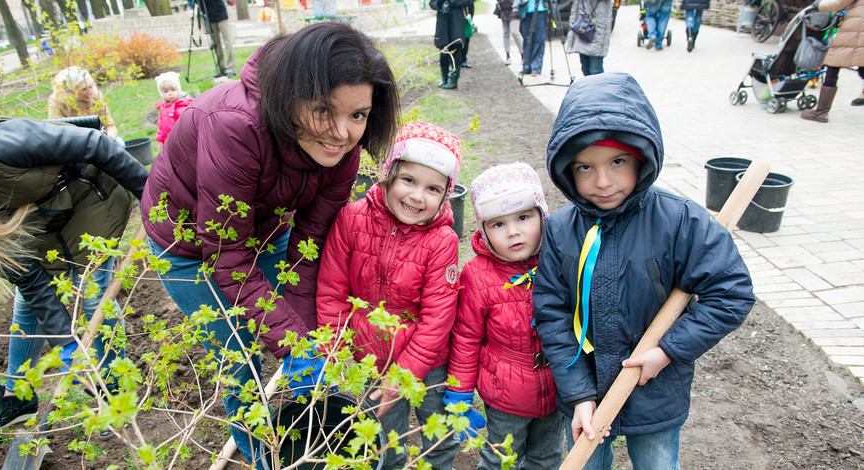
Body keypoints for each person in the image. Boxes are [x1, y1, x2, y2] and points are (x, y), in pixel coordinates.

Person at [140, 22, 400, 469]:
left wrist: (304, 344)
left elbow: (310, 242)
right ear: (291, 95)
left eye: (357, 115)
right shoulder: (236, 125)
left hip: (263, 226)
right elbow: (227, 256)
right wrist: (295, 346)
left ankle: (313, 427)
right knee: (237, 354)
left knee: (299, 330)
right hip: (186, 246)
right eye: (324, 110)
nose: (342, 132)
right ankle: (262, 454)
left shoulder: (344, 147)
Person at [534, 72, 755, 469]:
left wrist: (668, 351)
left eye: (617, 162)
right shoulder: (560, 230)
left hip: (655, 394)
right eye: (585, 168)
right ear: (567, 169)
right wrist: (579, 395)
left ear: (641, 156)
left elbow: (731, 292)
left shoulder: (678, 221)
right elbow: (551, 313)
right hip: (583, 396)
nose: (603, 182)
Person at [0, 117, 148, 432]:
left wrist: (152, 195)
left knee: (92, 295)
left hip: (89, 197)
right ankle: (18, 394)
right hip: (43, 222)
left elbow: (95, 143)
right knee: (26, 304)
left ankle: (116, 395)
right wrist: (67, 345)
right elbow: (28, 276)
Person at [317, 121, 464, 470]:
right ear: (388, 175)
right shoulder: (351, 220)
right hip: (371, 355)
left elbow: (437, 319)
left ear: (446, 194)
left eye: (432, 188)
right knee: (385, 438)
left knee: (439, 429)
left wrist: (402, 377)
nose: (416, 196)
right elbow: (332, 291)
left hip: (429, 361)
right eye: (408, 180)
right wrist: (332, 349)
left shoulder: (443, 241)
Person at [445, 162, 566, 469]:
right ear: (483, 231)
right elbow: (467, 338)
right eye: (498, 224)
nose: (513, 232)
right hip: (505, 395)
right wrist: (459, 393)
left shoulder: (560, 261)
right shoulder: (477, 275)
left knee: (546, 457)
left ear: (542, 214)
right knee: (501, 459)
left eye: (523, 217)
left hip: (557, 387)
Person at [801, 0, 864, 122]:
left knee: (833, 66)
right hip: (857, 28)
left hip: (855, 30)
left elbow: (840, 2)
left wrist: (818, 5)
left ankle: (821, 112)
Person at [47, 66, 120, 142]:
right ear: (72, 91)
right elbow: (57, 131)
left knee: (119, 143)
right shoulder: (58, 103)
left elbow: (109, 125)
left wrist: (110, 138)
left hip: (100, 140)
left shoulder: (96, 97)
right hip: (76, 143)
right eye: (84, 89)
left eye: (91, 87)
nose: (89, 92)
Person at [431, 0, 473, 89]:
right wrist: (440, 4)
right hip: (443, 21)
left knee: (456, 49)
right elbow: (432, 2)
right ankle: (445, 79)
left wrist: (451, 3)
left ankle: (454, 80)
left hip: (456, 21)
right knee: (443, 50)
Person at [566, 0, 613, 76]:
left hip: (597, 28)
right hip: (583, 27)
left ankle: (599, 87)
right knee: (585, 70)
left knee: (595, 71)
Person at [191, 0, 236, 76]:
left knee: (228, 42)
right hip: (209, 17)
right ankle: (221, 68)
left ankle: (231, 68)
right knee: (216, 44)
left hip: (221, 15)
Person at [153, 71, 193, 144]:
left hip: (184, 142)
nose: (170, 93)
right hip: (170, 143)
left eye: (173, 90)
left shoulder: (183, 107)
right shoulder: (163, 108)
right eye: (166, 91)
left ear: (178, 89)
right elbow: (161, 126)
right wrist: (160, 140)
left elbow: (188, 125)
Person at [520, 0, 548, 76]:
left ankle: (536, 67)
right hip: (526, 9)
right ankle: (526, 66)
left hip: (541, 10)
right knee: (527, 39)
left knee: (539, 39)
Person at [496, 0, 524, 65]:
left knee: (515, 32)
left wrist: (516, 5)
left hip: (515, 9)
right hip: (503, 8)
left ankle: (523, 54)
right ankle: (507, 55)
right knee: (505, 33)